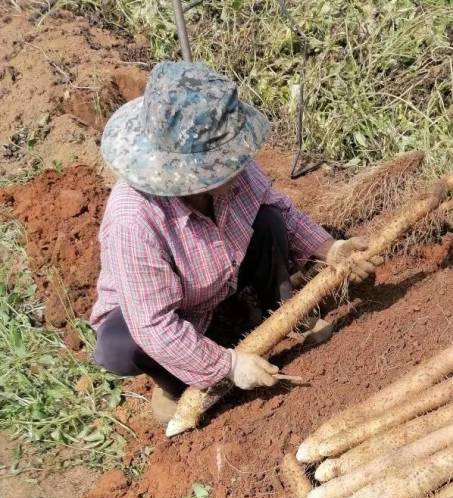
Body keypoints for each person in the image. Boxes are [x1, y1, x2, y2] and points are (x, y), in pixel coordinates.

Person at [90, 61, 378, 423]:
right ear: (190, 174)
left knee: (269, 220)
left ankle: (287, 313)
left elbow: (281, 210)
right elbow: (154, 324)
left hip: (220, 277)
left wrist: (330, 248)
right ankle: (177, 385)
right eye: (223, 162)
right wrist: (228, 366)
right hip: (165, 314)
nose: (238, 166)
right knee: (123, 344)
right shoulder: (134, 220)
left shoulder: (234, 167)